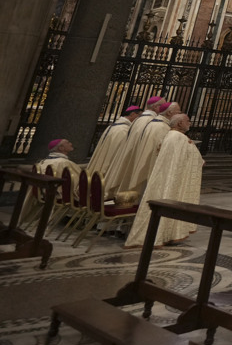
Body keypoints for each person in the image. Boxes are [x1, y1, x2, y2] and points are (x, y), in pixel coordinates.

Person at [124, 113, 204, 248]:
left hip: (165, 177)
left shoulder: (169, 135)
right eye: (188, 121)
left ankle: (165, 234)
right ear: (179, 123)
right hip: (172, 179)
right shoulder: (178, 138)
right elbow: (188, 158)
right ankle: (162, 234)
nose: (190, 123)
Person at [102, 97, 168, 195]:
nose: (164, 109)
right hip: (138, 155)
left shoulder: (140, 118)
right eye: (162, 106)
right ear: (155, 107)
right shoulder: (149, 120)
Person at [21, 138, 83, 229]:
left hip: (46, 193)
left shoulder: (43, 161)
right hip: (60, 196)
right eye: (68, 142)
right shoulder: (64, 163)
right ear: (61, 148)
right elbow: (80, 180)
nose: (71, 144)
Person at [86, 105, 140, 175]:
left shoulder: (113, 126)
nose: (139, 119)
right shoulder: (123, 130)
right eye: (139, 116)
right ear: (132, 114)